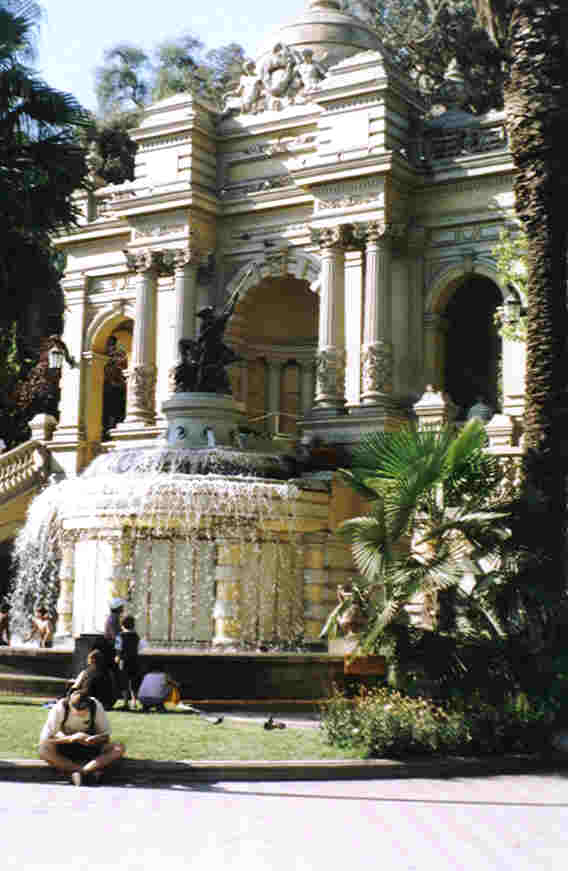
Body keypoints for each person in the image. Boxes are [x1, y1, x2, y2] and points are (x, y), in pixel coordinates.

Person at [39, 690, 125, 786]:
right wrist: (70, 738)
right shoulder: (60, 708)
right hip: (65, 745)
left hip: (90, 746)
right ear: (70, 704)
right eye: (77, 709)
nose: (80, 712)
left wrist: (92, 739)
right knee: (43, 749)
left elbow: (106, 736)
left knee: (119, 748)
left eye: (84, 709)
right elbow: (46, 739)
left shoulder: (95, 706)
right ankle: (82, 771)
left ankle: (82, 771)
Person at [115, 614, 143, 710]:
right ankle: (134, 701)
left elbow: (118, 648)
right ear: (133, 625)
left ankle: (126, 702)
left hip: (124, 661)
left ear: (122, 625)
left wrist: (117, 657)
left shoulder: (120, 635)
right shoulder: (136, 636)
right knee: (134, 681)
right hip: (134, 660)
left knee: (124, 682)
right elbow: (140, 648)